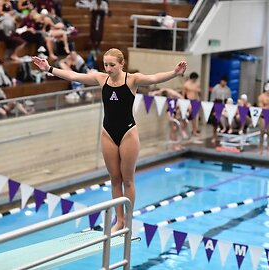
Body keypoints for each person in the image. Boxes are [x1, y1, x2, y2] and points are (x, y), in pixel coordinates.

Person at [32, 48, 187, 232]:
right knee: (114, 179)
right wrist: (49, 68)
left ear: (122, 64)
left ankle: (127, 220)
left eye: (112, 65)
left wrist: (174, 73)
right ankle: (119, 220)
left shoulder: (132, 80)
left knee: (127, 180)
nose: (108, 68)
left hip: (128, 133)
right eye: (106, 64)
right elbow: (74, 76)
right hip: (107, 133)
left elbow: (154, 78)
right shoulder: (101, 78)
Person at [208, 76, 231, 144]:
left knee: (223, 121)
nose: (223, 82)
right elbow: (212, 98)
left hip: (224, 105)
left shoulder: (228, 90)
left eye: (225, 82)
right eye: (223, 81)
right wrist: (212, 108)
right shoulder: (216, 88)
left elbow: (229, 100)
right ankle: (214, 137)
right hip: (216, 104)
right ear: (221, 81)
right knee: (215, 122)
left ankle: (223, 137)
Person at [257, 82, 269, 155]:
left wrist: (267, 107)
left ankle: (268, 148)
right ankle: (260, 148)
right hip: (263, 116)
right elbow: (261, 107)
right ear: (267, 89)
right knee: (262, 132)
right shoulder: (261, 97)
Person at [181, 72, 201, 136]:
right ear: (192, 78)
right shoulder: (186, 84)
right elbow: (183, 95)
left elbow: (199, 93)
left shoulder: (197, 84)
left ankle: (194, 131)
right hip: (188, 101)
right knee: (186, 117)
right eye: (195, 79)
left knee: (194, 118)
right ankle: (183, 131)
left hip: (195, 101)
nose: (195, 80)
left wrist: (199, 91)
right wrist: (183, 103)